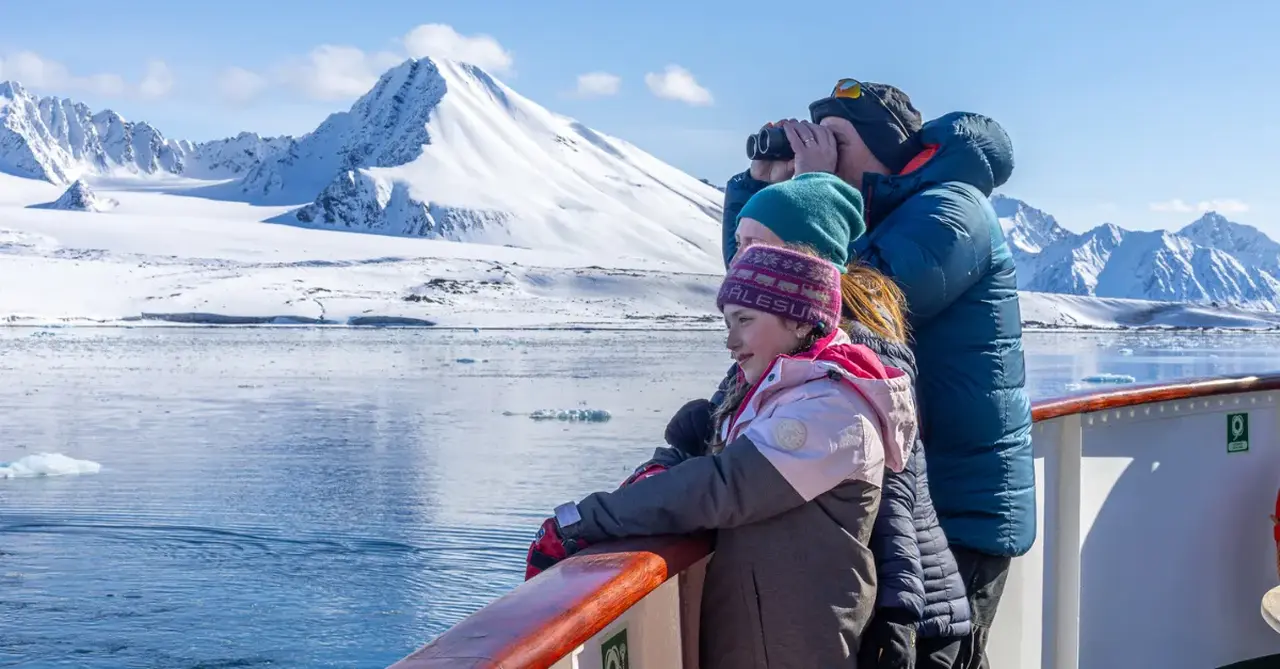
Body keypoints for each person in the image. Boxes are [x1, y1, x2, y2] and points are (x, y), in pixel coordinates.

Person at [721, 79, 1036, 668]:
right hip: (909, 495)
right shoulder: (880, 215)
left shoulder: (953, 207)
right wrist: (760, 187)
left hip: (960, 501)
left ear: (883, 148)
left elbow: (844, 298)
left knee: (946, 655)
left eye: (835, 139)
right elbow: (762, 293)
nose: (818, 148)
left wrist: (817, 188)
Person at [527, 241, 918, 668]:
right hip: (769, 641)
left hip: (798, 650)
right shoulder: (780, 392)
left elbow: (722, 486)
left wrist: (584, 519)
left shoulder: (828, 408)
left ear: (799, 321)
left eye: (745, 321)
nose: (730, 341)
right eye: (727, 323)